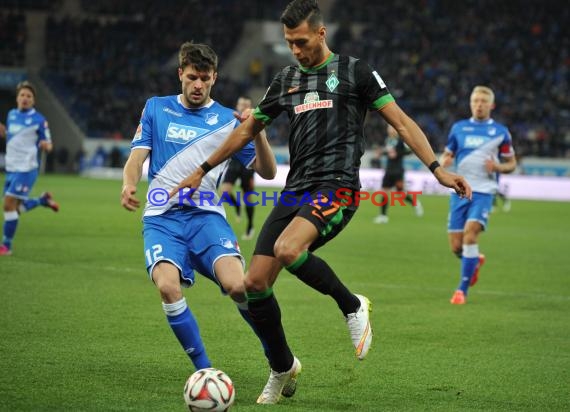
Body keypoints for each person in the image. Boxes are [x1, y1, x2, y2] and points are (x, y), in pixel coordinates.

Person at [171, 0, 471, 404]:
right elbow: (247, 132)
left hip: (338, 186)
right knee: (253, 284)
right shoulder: (286, 79)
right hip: (295, 189)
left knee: (287, 248)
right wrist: (200, 169)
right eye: (289, 43)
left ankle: (352, 305)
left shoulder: (355, 72)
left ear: (321, 33)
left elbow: (401, 121)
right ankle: (282, 367)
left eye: (301, 41)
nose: (295, 50)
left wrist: (437, 169)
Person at [120, 42, 276, 371]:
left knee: (238, 286)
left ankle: (276, 356)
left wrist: (257, 132)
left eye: (205, 78)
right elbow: (136, 158)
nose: (198, 85)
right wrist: (129, 184)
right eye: (192, 77)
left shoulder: (228, 120)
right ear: (180, 74)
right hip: (162, 219)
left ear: (215, 78)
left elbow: (268, 172)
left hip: (206, 218)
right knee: (167, 286)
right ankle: (204, 371)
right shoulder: (156, 108)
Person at [440, 85, 516, 305]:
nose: (479, 105)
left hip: (484, 191)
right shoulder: (458, 128)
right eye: (475, 101)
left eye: (483, 101)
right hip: (460, 190)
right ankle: (474, 260)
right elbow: (448, 152)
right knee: (456, 246)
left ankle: (461, 290)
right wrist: (444, 161)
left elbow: (512, 163)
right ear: (470, 103)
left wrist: (498, 168)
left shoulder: (500, 132)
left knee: (470, 234)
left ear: (491, 105)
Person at [0, 81, 59, 256]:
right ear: (17, 98)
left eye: (29, 96)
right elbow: (14, 137)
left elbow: (49, 144)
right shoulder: (11, 115)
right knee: (15, 209)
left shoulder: (39, 120)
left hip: (26, 168)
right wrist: (4, 132)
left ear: (33, 101)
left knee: (8, 205)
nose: (25, 98)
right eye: (22, 95)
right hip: (11, 167)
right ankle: (42, 201)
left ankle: (6, 246)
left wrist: (45, 145)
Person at [220, 96, 257, 240]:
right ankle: (236, 206)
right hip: (234, 161)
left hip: (248, 164)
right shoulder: (231, 121)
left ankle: (250, 226)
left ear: (250, 107)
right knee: (224, 191)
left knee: (248, 197)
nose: (243, 106)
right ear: (237, 105)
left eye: (246, 104)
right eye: (241, 104)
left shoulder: (255, 120)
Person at [373, 124, 424, 223]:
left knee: (400, 193)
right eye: (388, 128)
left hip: (397, 171)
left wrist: (398, 153)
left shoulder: (401, 141)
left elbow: (409, 151)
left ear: (395, 130)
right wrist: (382, 153)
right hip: (388, 170)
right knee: (384, 192)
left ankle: (415, 203)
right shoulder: (388, 140)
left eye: (391, 128)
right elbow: (389, 153)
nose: (390, 130)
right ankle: (383, 216)